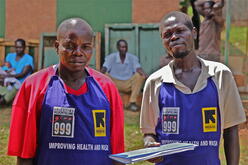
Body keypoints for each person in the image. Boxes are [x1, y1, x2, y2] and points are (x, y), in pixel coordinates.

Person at [8, 18, 124, 165]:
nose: (78, 53)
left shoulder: (107, 87)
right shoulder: (33, 86)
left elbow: (118, 154)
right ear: (57, 47)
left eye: (85, 46)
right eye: (70, 46)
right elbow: (25, 156)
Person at [140, 11, 246, 165]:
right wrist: (150, 144)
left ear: (194, 33)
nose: (174, 37)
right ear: (163, 41)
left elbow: (231, 130)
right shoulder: (155, 82)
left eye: (180, 31)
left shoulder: (220, 75)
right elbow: (149, 133)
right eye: (167, 34)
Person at [101, 39, 147, 112]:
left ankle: (132, 103)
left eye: (125, 47)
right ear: (118, 48)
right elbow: (104, 68)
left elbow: (138, 68)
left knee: (139, 76)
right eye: (122, 47)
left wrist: (144, 74)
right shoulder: (111, 57)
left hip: (127, 83)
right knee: (104, 75)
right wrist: (98, 76)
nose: (124, 49)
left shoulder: (132, 58)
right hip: (114, 83)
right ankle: (106, 102)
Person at [0, 39, 33, 104]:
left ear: (24, 47)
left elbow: (23, 74)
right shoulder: (10, 56)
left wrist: (6, 75)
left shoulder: (28, 58)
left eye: (20, 47)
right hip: (7, 81)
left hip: (19, 83)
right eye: (17, 47)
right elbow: (5, 68)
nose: (18, 49)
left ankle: (4, 99)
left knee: (4, 99)